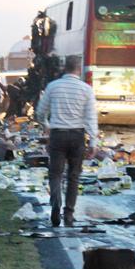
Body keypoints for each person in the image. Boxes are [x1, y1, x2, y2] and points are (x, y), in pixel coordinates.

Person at [36, 56, 98, 227]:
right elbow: (91, 117)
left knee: (55, 173)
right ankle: (69, 214)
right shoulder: (86, 89)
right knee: (74, 176)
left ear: (65, 68)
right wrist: (93, 142)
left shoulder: (53, 87)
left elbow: (40, 112)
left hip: (57, 135)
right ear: (79, 69)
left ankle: (56, 203)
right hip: (77, 136)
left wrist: (46, 125)